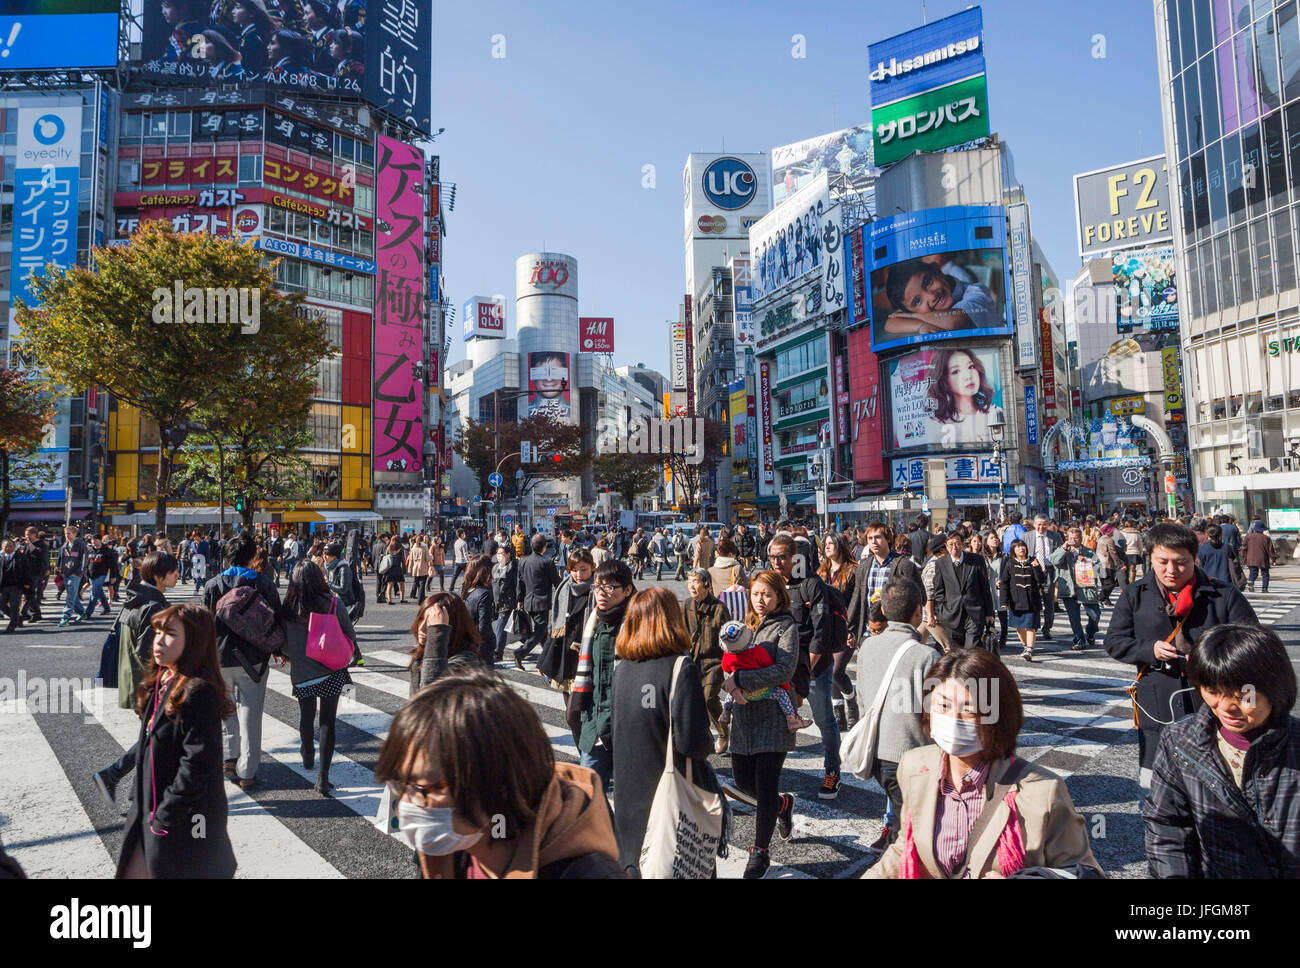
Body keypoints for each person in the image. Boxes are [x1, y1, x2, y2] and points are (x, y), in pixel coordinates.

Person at [864, 647, 1103, 879]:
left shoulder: (1043, 790)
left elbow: (1084, 871)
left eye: (969, 711)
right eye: (943, 706)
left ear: (999, 717)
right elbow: (904, 846)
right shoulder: (915, 765)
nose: (952, 721)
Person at [375, 666, 623, 879]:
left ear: (498, 784)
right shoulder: (453, 848)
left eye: (425, 789)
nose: (405, 805)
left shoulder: (590, 873)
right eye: (400, 784)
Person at [1106, 522, 1259, 790]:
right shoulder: (1134, 595)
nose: (1171, 570)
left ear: (1194, 558)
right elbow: (1115, 642)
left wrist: (1210, 659)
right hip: (1157, 701)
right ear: (1150, 557)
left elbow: (1253, 642)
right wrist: (1148, 649)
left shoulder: (1223, 594)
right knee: (1156, 786)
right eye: (1162, 562)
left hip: (1215, 701)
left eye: (1181, 562)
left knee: (1218, 786)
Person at [1143, 624, 1300, 878]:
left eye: (1242, 696)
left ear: (1274, 687)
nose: (1227, 707)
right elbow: (1167, 826)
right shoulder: (1181, 741)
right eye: (1213, 691)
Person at [116, 603, 237, 879]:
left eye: (170, 633)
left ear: (193, 642)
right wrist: (139, 798)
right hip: (151, 811)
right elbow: (148, 749)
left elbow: (197, 762)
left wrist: (165, 816)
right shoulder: (164, 680)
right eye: (157, 630)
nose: (158, 640)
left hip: (184, 822)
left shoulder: (198, 691)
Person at [610, 587, 718, 876]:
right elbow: (693, 742)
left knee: (636, 865)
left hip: (627, 794)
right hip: (670, 791)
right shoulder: (681, 667)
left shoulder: (622, 670)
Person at [722, 570, 799, 879]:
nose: (761, 600)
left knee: (765, 783)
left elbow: (784, 670)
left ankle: (760, 853)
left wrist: (739, 678)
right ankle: (782, 805)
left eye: (767, 594)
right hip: (744, 717)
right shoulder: (746, 625)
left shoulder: (786, 627)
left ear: (779, 596)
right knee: (743, 780)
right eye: (756, 594)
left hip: (773, 717)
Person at [856, 578, 941, 851]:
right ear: (919, 611)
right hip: (911, 754)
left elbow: (861, 698)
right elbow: (935, 714)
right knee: (915, 832)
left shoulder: (868, 647)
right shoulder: (926, 655)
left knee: (904, 818)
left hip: (877, 751)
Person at [203, 533, 282, 792]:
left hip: (220, 657)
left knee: (225, 709)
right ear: (252, 556)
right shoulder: (263, 583)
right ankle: (247, 772)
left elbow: (205, 623)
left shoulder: (213, 584)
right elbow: (276, 618)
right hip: (254, 659)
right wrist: (280, 649)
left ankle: (229, 757)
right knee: (252, 714)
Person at [766, 533, 842, 799]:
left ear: (793, 557)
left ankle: (833, 770)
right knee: (776, 721)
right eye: (772, 556)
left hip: (813, 665)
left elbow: (821, 633)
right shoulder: (770, 584)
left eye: (782, 557)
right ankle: (770, 776)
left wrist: (807, 668)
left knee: (824, 720)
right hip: (780, 665)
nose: (776, 562)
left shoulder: (812, 584)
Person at [280, 561, 358, 797]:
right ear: (319, 579)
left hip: (302, 672)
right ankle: (323, 777)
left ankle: (307, 752)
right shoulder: (333, 603)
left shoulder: (287, 609)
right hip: (331, 669)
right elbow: (350, 635)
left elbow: (282, 644)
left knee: (306, 716)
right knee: (327, 722)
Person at [567, 559, 634, 796]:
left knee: (633, 803)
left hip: (628, 728)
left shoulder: (637, 624)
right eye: (598, 586)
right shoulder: (593, 620)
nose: (601, 593)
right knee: (587, 798)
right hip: (593, 725)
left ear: (627, 590)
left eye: (610, 587)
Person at [882, 259, 999, 335]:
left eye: (928, 283)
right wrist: (919, 325)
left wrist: (912, 316)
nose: (932, 296)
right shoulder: (926, 317)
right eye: (917, 301)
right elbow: (890, 323)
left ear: (937, 271)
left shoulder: (976, 292)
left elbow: (950, 322)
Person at [684, 568, 730, 754]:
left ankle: (723, 733)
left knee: (709, 698)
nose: (692, 586)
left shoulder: (719, 608)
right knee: (694, 702)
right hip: (691, 661)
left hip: (714, 661)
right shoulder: (686, 605)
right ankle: (705, 736)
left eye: (695, 581)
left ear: (706, 585)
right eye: (689, 582)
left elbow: (728, 637)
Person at [408, 592, 485, 695]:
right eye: (421, 618)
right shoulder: (422, 652)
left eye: (431, 622)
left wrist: (437, 633)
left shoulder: (466, 661)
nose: (421, 627)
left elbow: (429, 696)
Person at [931, 531, 995, 651]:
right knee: (956, 653)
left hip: (974, 614)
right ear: (946, 546)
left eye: (957, 543)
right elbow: (938, 590)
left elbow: (985, 588)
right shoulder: (941, 563)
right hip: (951, 615)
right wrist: (941, 611)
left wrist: (989, 613)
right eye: (950, 544)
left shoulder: (976, 560)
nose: (954, 547)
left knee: (971, 649)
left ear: (963, 545)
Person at [1049, 526, 1103, 652]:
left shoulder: (1089, 552)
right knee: (1074, 617)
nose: (1074, 540)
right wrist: (1064, 547)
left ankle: (1090, 631)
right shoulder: (1063, 550)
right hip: (1070, 589)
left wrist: (1086, 561)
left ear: (1081, 538)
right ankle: (1079, 640)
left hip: (1086, 588)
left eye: (1076, 538)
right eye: (1071, 538)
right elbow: (1054, 561)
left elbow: (1098, 568)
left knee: (1095, 615)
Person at [513, 533, 562, 669]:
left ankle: (548, 656)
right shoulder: (547, 562)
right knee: (540, 631)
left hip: (528, 600)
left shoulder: (523, 561)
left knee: (543, 632)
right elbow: (557, 582)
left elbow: (520, 583)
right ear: (544, 547)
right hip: (542, 601)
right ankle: (520, 652)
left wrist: (520, 600)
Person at [1000, 540, 1045, 662]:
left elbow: (1041, 580)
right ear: (1013, 550)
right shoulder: (1009, 563)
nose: (1021, 549)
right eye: (1018, 547)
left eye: (1023, 546)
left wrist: (1036, 567)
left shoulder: (1033, 561)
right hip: (1016, 600)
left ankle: (1029, 649)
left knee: (1030, 626)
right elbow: (1004, 583)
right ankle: (1025, 646)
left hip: (1032, 600)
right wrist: (1003, 601)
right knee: (1019, 626)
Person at [1026, 515, 1061, 642]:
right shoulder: (1027, 536)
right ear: (1034, 525)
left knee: (1049, 600)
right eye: (1039, 525)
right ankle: (1033, 626)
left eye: (1044, 524)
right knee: (1032, 600)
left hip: (1048, 570)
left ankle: (1047, 627)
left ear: (1047, 524)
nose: (1041, 527)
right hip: (1032, 570)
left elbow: (1059, 553)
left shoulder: (1055, 536)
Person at [460, 555, 496, 667]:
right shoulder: (484, 594)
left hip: (463, 645)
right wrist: (492, 640)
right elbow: (484, 628)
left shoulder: (462, 590)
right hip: (480, 648)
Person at [57, 526, 89, 626]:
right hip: (65, 573)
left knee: (70, 595)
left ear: (75, 534)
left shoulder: (81, 545)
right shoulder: (64, 546)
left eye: (69, 533)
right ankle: (82, 613)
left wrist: (80, 572)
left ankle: (66, 616)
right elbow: (61, 557)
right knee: (73, 595)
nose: (66, 536)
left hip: (75, 574)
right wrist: (58, 567)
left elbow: (84, 560)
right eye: (65, 533)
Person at [0, 539, 30, 633]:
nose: (7, 548)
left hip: (16, 586)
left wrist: (27, 583)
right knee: (2, 605)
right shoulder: (1, 558)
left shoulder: (21, 557)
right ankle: (17, 618)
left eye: (9, 546)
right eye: (5, 546)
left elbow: (27, 570)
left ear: (14, 547)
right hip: (3, 586)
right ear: (2, 547)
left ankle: (12, 625)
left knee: (14, 606)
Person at [20, 526, 48, 624]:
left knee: (30, 594)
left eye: (28, 534)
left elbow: (38, 554)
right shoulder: (28, 544)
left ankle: (22, 614)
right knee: (29, 594)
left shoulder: (40, 544)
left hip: (35, 572)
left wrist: (30, 544)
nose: (26, 536)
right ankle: (36, 614)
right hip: (27, 572)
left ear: (34, 534)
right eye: (25, 534)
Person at [1242, 520, 1275, 592]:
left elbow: (1244, 548)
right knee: (1265, 573)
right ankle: (1264, 588)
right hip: (1263, 558)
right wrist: (1273, 559)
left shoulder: (1248, 537)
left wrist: (1244, 559)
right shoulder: (1266, 538)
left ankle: (1251, 581)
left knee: (1253, 572)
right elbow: (1271, 550)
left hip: (1251, 558)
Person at [407, 536, 431, 602]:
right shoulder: (424, 547)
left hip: (415, 567)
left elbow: (411, 559)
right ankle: (420, 599)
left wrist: (409, 569)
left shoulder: (413, 548)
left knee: (416, 582)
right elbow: (427, 558)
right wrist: (432, 556)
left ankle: (419, 596)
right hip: (423, 567)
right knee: (422, 584)